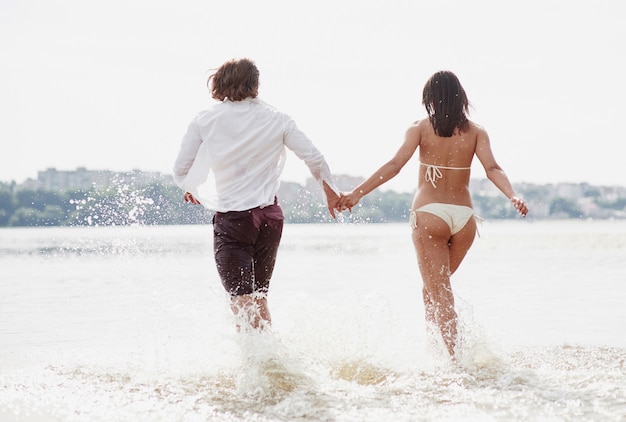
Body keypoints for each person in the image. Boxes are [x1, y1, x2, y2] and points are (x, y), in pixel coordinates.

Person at [337, 71, 528, 357]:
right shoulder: (477, 132)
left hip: (429, 215)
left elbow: (394, 166)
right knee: (433, 289)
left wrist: (356, 193)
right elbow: (493, 169)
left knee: (439, 293)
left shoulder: (419, 128)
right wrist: (512, 195)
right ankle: (436, 353)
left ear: (428, 99)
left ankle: (454, 363)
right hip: (465, 219)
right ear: (461, 97)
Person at [173, 58, 340, 331]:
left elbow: (181, 169)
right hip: (270, 218)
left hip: (234, 220)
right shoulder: (278, 119)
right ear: (255, 84)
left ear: (219, 83)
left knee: (241, 303)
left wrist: (193, 187)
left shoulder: (205, 120)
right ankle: (270, 364)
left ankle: (255, 368)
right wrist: (330, 192)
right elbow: (315, 158)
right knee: (259, 299)